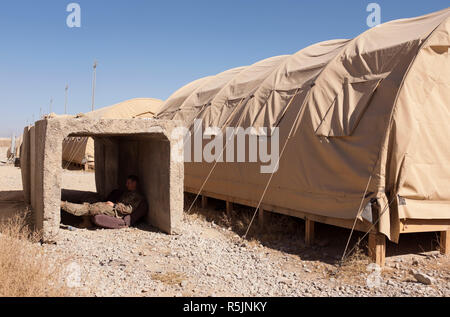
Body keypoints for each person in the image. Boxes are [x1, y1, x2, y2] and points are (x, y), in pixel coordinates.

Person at [61, 175, 147, 229]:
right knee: (90, 204)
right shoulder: (128, 193)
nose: (126, 185)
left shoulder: (138, 197)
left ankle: (63, 205)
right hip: (112, 207)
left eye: (128, 183)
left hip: (116, 212)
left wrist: (114, 205)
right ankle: (86, 222)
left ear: (134, 183)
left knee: (89, 208)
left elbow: (128, 210)